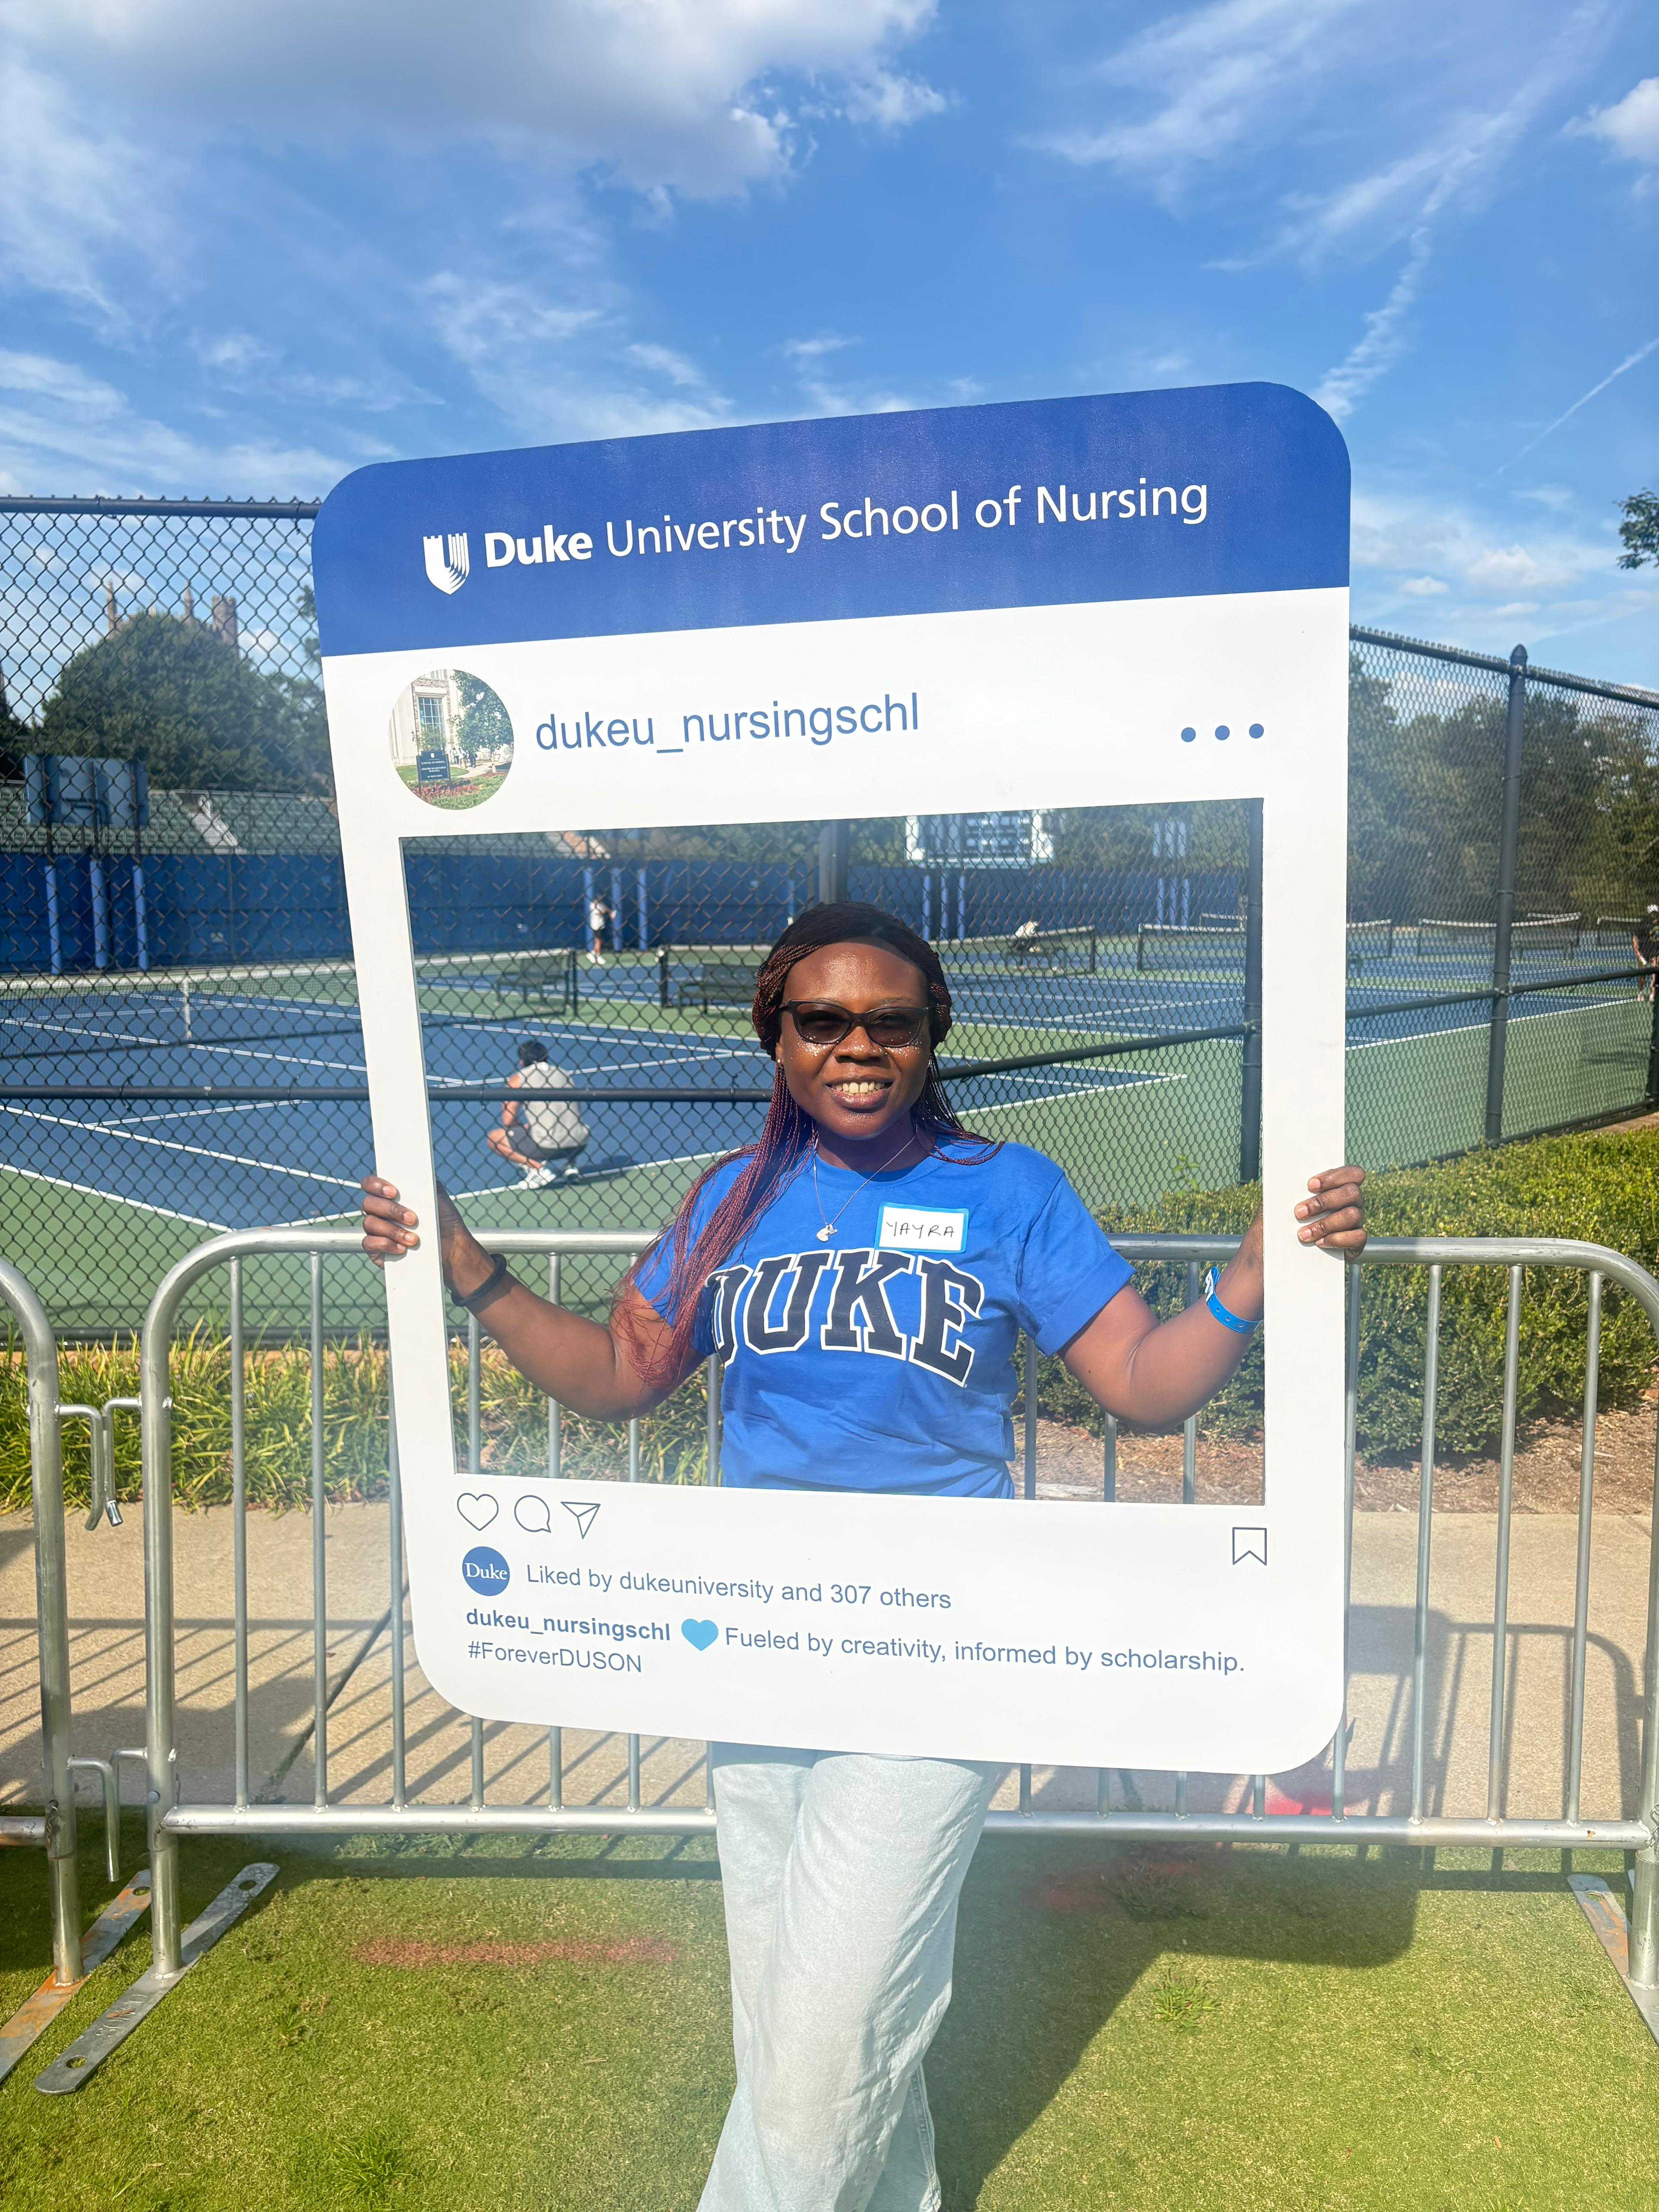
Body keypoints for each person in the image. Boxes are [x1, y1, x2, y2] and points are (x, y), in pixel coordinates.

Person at [361, 900, 1366, 2212]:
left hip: (935, 1657)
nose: (855, 1044)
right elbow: (617, 1374)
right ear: (775, 1038)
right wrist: (467, 1263)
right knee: (793, 2007)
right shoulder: (732, 1195)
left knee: (825, 2035)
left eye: (888, 1020)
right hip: (758, 1653)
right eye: (820, 1018)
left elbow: (1137, 1381)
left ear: (929, 1035)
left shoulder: (1010, 1189)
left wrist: (1250, 1274)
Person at [484, 1039, 588, 1188]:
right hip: (579, 1143)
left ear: (522, 1062)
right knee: (566, 1119)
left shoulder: (519, 1079)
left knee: (494, 1138)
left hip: (547, 1146)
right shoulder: (564, 1074)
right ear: (546, 1056)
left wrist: (521, 1129)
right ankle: (571, 1166)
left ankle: (538, 1169)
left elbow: (508, 1121)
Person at [1634, 906, 1659, 1002]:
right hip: (1644, 953)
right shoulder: (1643, 924)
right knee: (1642, 975)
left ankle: (1653, 994)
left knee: (1654, 974)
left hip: (1655, 953)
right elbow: (1635, 938)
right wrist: (1638, 954)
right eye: (1653, 913)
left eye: (1656, 913)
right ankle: (1641, 993)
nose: (1654, 915)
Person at [587, 888, 611, 963]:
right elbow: (600, 913)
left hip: (601, 925)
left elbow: (607, 909)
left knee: (599, 941)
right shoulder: (592, 905)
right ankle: (597, 955)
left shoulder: (601, 904)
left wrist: (610, 913)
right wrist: (605, 911)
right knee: (598, 941)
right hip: (596, 926)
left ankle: (594, 953)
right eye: (599, 898)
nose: (600, 899)